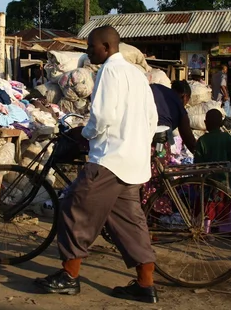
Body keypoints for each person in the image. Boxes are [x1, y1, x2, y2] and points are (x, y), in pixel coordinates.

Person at [34, 26, 159, 304]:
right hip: (134, 161)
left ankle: (69, 277)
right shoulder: (138, 76)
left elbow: (102, 116)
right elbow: (152, 117)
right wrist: (137, 144)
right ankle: (145, 283)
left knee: (72, 209)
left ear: (106, 47)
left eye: (91, 47)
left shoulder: (109, 71)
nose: (89, 52)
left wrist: (85, 134)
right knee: (129, 222)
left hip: (110, 159)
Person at [142, 80, 197, 211]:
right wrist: (203, 155)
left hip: (139, 137)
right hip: (158, 142)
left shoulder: (154, 87)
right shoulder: (179, 104)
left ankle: (141, 210)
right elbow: (188, 138)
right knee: (158, 178)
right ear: (184, 96)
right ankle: (156, 211)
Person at [194, 109, 231, 232]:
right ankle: (228, 230)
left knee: (207, 207)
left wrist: (196, 180)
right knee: (227, 206)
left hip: (207, 183)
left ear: (205, 123)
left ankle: (205, 229)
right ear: (221, 123)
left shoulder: (202, 141)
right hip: (226, 182)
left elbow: (197, 164)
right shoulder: (228, 138)